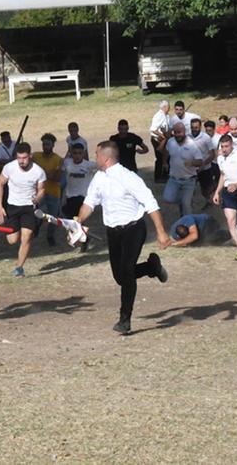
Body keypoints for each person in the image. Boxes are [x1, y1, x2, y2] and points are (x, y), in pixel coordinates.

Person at [74, 141, 170, 335]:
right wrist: (79, 219)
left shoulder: (128, 177)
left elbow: (149, 202)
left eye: (97, 154)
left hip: (133, 228)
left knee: (126, 272)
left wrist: (161, 231)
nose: (95, 157)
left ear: (106, 158)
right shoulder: (98, 178)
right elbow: (89, 203)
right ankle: (152, 267)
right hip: (113, 232)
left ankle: (125, 320)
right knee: (120, 276)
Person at [0, 142, 46, 278]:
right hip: (13, 207)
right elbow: (0, 184)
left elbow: (42, 189)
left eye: (24, 158)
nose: (21, 161)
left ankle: (19, 268)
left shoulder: (38, 171)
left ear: (30, 156)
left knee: (26, 238)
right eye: (19, 158)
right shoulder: (9, 168)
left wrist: (38, 197)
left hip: (29, 207)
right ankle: (35, 226)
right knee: (12, 240)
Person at [163, 121, 203, 219]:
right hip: (173, 179)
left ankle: (189, 226)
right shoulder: (171, 142)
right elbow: (165, 151)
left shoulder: (191, 144)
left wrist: (192, 163)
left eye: (179, 132)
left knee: (186, 206)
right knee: (167, 198)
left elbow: (200, 161)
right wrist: (164, 162)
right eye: (175, 132)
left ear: (184, 132)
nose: (177, 135)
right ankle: (184, 200)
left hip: (189, 180)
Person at [61, 143, 96, 251]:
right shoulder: (67, 163)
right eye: (75, 153)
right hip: (70, 195)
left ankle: (82, 238)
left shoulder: (89, 165)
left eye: (80, 153)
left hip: (82, 197)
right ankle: (85, 238)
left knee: (75, 219)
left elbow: (103, 167)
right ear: (71, 153)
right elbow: (61, 170)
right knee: (75, 220)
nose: (77, 156)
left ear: (83, 153)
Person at [32, 134, 64, 246]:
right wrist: (48, 173)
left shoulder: (58, 159)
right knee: (35, 212)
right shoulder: (35, 156)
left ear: (53, 145)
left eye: (48, 144)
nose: (45, 146)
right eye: (44, 144)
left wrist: (41, 173)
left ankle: (50, 235)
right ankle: (36, 226)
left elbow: (57, 178)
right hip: (39, 192)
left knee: (53, 217)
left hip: (54, 192)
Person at [149, 100, 172, 183]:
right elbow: (153, 129)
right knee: (159, 157)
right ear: (164, 107)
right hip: (158, 140)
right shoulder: (158, 116)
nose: (169, 108)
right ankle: (158, 176)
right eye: (168, 106)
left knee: (167, 157)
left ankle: (165, 175)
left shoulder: (167, 116)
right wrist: (162, 136)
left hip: (165, 139)